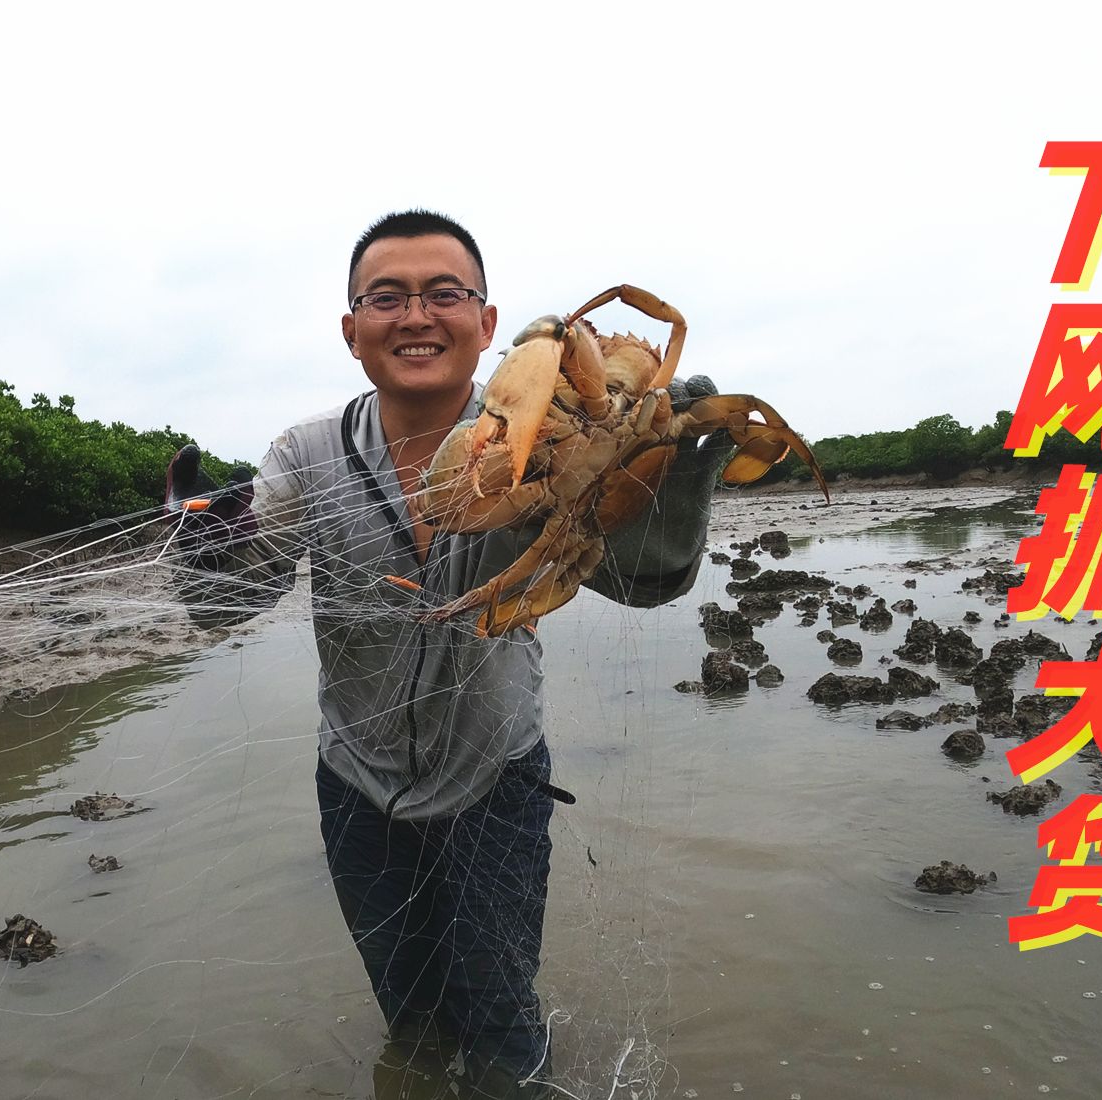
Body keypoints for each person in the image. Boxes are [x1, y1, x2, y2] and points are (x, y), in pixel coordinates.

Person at [168, 210, 734, 1097]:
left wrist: (676, 469)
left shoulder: (560, 424)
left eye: (444, 293)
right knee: (410, 1014)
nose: (417, 316)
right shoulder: (307, 455)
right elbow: (222, 606)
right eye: (386, 297)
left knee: (503, 1023)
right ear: (351, 329)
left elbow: (644, 581)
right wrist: (197, 536)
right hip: (355, 784)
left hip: (497, 780)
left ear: (488, 323)